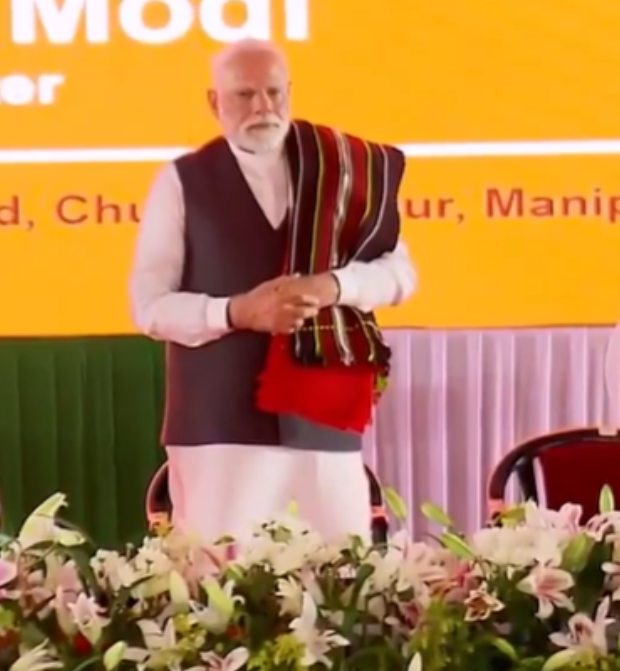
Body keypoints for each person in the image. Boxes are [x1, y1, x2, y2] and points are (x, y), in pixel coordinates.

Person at [128, 39, 417, 544]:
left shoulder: (341, 169)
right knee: (222, 579)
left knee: (341, 576)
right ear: (215, 102)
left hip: (323, 417)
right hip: (220, 425)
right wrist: (236, 312)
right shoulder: (181, 181)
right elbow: (149, 307)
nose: (263, 107)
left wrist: (333, 286)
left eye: (274, 92)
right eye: (245, 95)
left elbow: (400, 274)